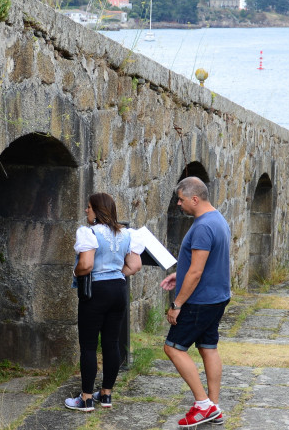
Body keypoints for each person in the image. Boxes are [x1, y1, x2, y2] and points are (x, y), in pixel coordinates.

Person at [160, 176, 231, 427]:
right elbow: (201, 265)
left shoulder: (202, 227)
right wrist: (177, 275)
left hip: (200, 301)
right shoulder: (217, 218)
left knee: (173, 348)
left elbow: (197, 272)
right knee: (208, 347)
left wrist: (177, 304)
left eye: (180, 199)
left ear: (194, 198)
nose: (178, 204)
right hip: (217, 297)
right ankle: (213, 407)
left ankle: (202, 404)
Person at [64, 193, 143, 412]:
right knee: (110, 343)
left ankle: (87, 398)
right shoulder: (127, 233)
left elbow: (87, 264)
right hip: (118, 290)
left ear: (98, 210)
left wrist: (75, 271)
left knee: (88, 346)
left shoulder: (88, 232)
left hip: (95, 292)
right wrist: (117, 273)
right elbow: (135, 266)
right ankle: (106, 394)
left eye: (88, 207)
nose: (86, 211)